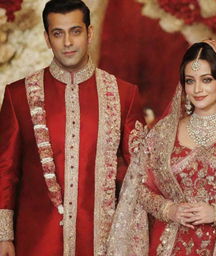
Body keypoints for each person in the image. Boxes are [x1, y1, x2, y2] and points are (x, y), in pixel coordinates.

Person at [0, 0, 142, 255]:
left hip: (103, 241)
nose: (67, 42)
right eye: (58, 33)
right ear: (46, 38)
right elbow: (5, 171)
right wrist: (3, 236)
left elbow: (138, 173)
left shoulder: (124, 94)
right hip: (36, 241)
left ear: (90, 33)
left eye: (75, 31)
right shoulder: (18, 95)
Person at [107, 40, 216, 255]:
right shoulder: (163, 133)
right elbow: (138, 188)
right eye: (189, 81)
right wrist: (170, 210)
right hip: (167, 245)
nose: (197, 89)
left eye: (206, 80)